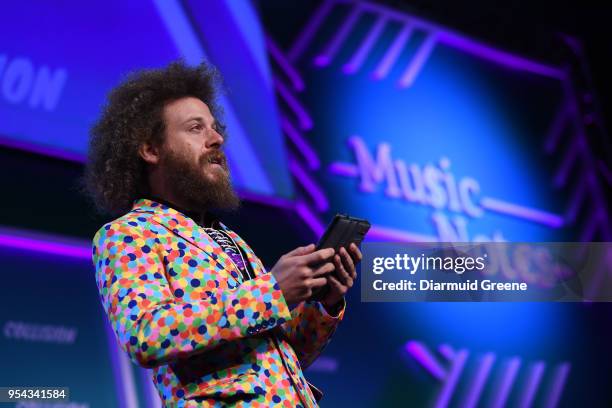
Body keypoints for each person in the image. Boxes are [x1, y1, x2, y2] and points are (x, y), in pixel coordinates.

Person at [85, 61, 362, 407]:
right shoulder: (127, 234)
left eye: (215, 128)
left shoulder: (227, 237)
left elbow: (280, 358)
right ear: (151, 150)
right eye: (195, 128)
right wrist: (271, 291)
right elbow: (146, 335)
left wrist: (325, 301)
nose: (216, 138)